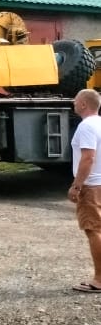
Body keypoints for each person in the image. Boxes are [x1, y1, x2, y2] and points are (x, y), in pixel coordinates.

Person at [69, 88, 101, 293]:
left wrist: (77, 185)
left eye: (75, 101)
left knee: (94, 230)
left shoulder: (86, 127)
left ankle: (99, 279)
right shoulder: (99, 123)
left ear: (83, 104)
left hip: (91, 185)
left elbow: (88, 158)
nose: (73, 103)